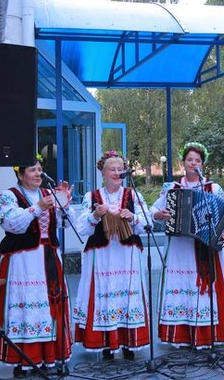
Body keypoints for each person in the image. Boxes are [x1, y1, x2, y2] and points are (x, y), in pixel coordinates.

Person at [0, 154, 75, 377]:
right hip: (23, 261)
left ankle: (50, 358)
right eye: (32, 170)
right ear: (20, 174)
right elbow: (14, 224)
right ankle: (22, 361)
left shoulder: (49, 193)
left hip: (48, 257)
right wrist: (38, 207)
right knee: (25, 307)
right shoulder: (8, 196)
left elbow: (65, 224)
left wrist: (65, 205)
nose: (38, 173)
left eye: (40, 169)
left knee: (50, 306)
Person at [151, 142, 224, 348]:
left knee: (205, 290)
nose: (193, 163)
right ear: (183, 163)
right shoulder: (172, 188)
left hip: (204, 247)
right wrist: (160, 215)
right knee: (181, 285)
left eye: (197, 160)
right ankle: (182, 336)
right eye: (190, 160)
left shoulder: (212, 188)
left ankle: (207, 335)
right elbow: (154, 210)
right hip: (179, 248)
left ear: (202, 164)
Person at [72, 151, 152, 360]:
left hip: (127, 255)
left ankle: (128, 343)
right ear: (103, 172)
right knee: (104, 294)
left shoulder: (133, 195)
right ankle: (106, 344)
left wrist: (132, 217)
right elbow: (81, 229)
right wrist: (95, 215)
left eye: (120, 169)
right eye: (112, 169)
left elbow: (148, 224)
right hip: (102, 255)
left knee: (127, 296)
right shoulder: (92, 196)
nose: (117, 173)